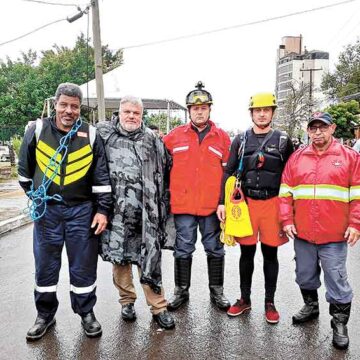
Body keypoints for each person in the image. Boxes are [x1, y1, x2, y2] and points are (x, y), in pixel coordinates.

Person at [18, 83, 112, 341]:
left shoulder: (91, 135)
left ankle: (86, 313)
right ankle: (44, 315)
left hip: (82, 211)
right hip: (47, 212)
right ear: (55, 104)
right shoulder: (36, 130)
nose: (69, 111)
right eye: (64, 105)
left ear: (79, 107)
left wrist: (102, 211)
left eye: (74, 106)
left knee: (83, 266)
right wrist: (37, 200)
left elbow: (101, 178)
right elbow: (24, 174)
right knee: (45, 266)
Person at [279, 111, 360, 350]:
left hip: (334, 234)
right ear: (307, 130)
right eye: (313, 128)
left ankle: (339, 324)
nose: (317, 132)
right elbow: (285, 192)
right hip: (303, 232)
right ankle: (311, 307)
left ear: (332, 128)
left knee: (336, 279)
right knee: (304, 274)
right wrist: (286, 221)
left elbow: (357, 195)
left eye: (322, 127)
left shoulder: (350, 157)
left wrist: (355, 224)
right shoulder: (297, 158)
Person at [96, 96, 175, 330]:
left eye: (136, 113)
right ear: (119, 112)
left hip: (146, 215)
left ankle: (158, 307)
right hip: (116, 213)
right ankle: (126, 302)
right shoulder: (104, 135)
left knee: (149, 258)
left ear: (142, 115)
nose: (131, 116)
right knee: (119, 259)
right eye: (127, 112)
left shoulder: (152, 139)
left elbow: (168, 167)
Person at [217, 92, 294, 324]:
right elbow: (229, 172)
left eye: (266, 110)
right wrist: (222, 202)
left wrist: (292, 210)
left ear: (272, 112)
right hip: (247, 205)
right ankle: (244, 298)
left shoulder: (283, 140)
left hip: (272, 204)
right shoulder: (240, 140)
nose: (262, 114)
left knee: (270, 254)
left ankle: (269, 302)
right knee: (246, 254)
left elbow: (291, 175)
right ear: (251, 113)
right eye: (257, 110)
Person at [164, 81, 231, 311]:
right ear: (189, 110)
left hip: (212, 207)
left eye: (203, 108)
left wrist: (223, 202)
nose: (199, 111)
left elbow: (228, 175)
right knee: (183, 249)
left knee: (215, 248)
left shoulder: (222, 138)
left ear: (210, 109)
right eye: (194, 108)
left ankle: (217, 291)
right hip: (183, 207)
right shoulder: (173, 137)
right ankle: (181, 291)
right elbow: (161, 168)